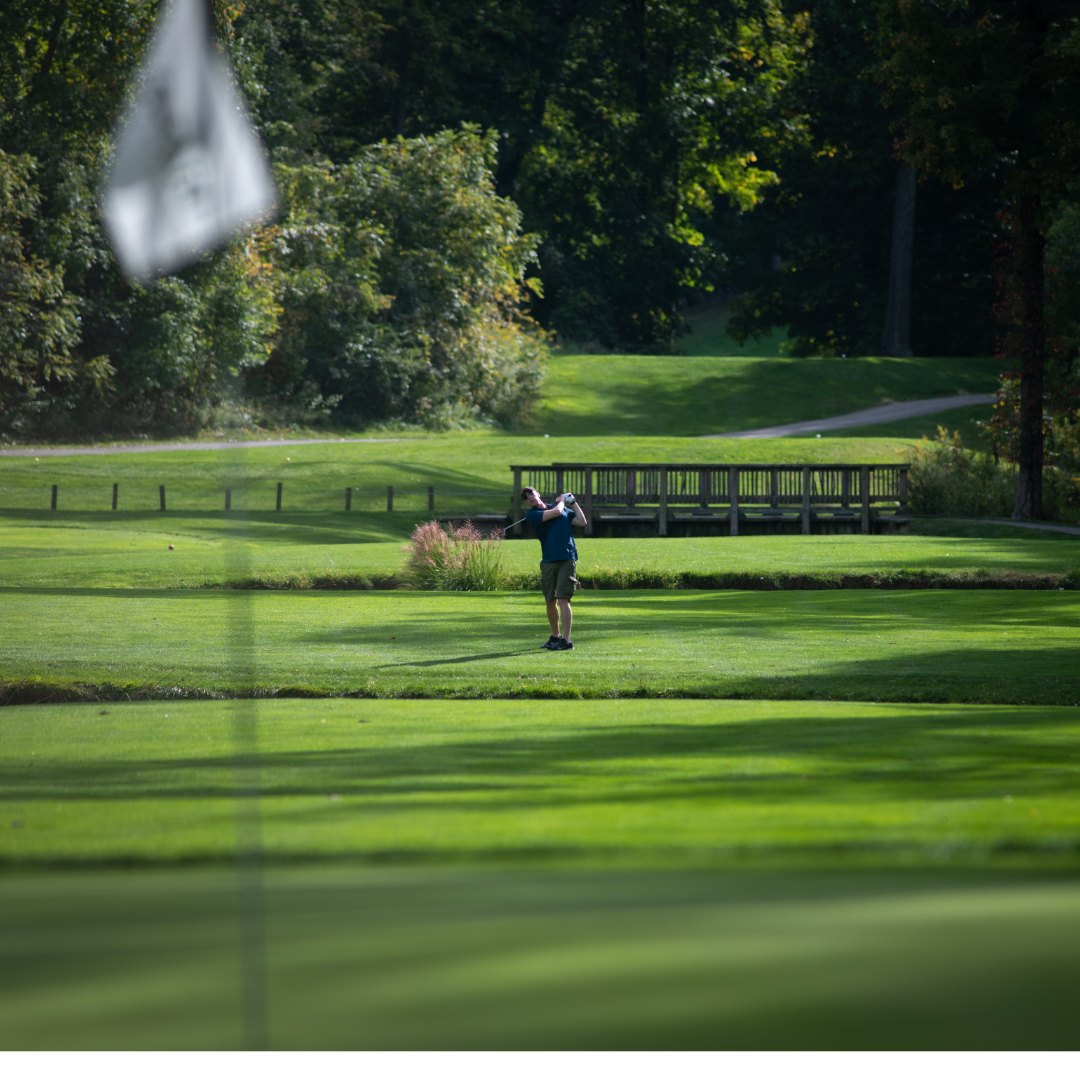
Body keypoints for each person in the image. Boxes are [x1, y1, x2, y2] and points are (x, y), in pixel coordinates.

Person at [522, 486, 587, 650]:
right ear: (526, 503)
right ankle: (555, 636)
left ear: (538, 494)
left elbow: (581, 521)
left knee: (563, 599)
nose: (529, 497)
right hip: (548, 560)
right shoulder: (532, 515)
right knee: (549, 600)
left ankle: (566, 640)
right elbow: (556, 512)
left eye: (531, 493)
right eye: (526, 497)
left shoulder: (562, 507)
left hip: (566, 557)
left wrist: (573, 503)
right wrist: (563, 501)